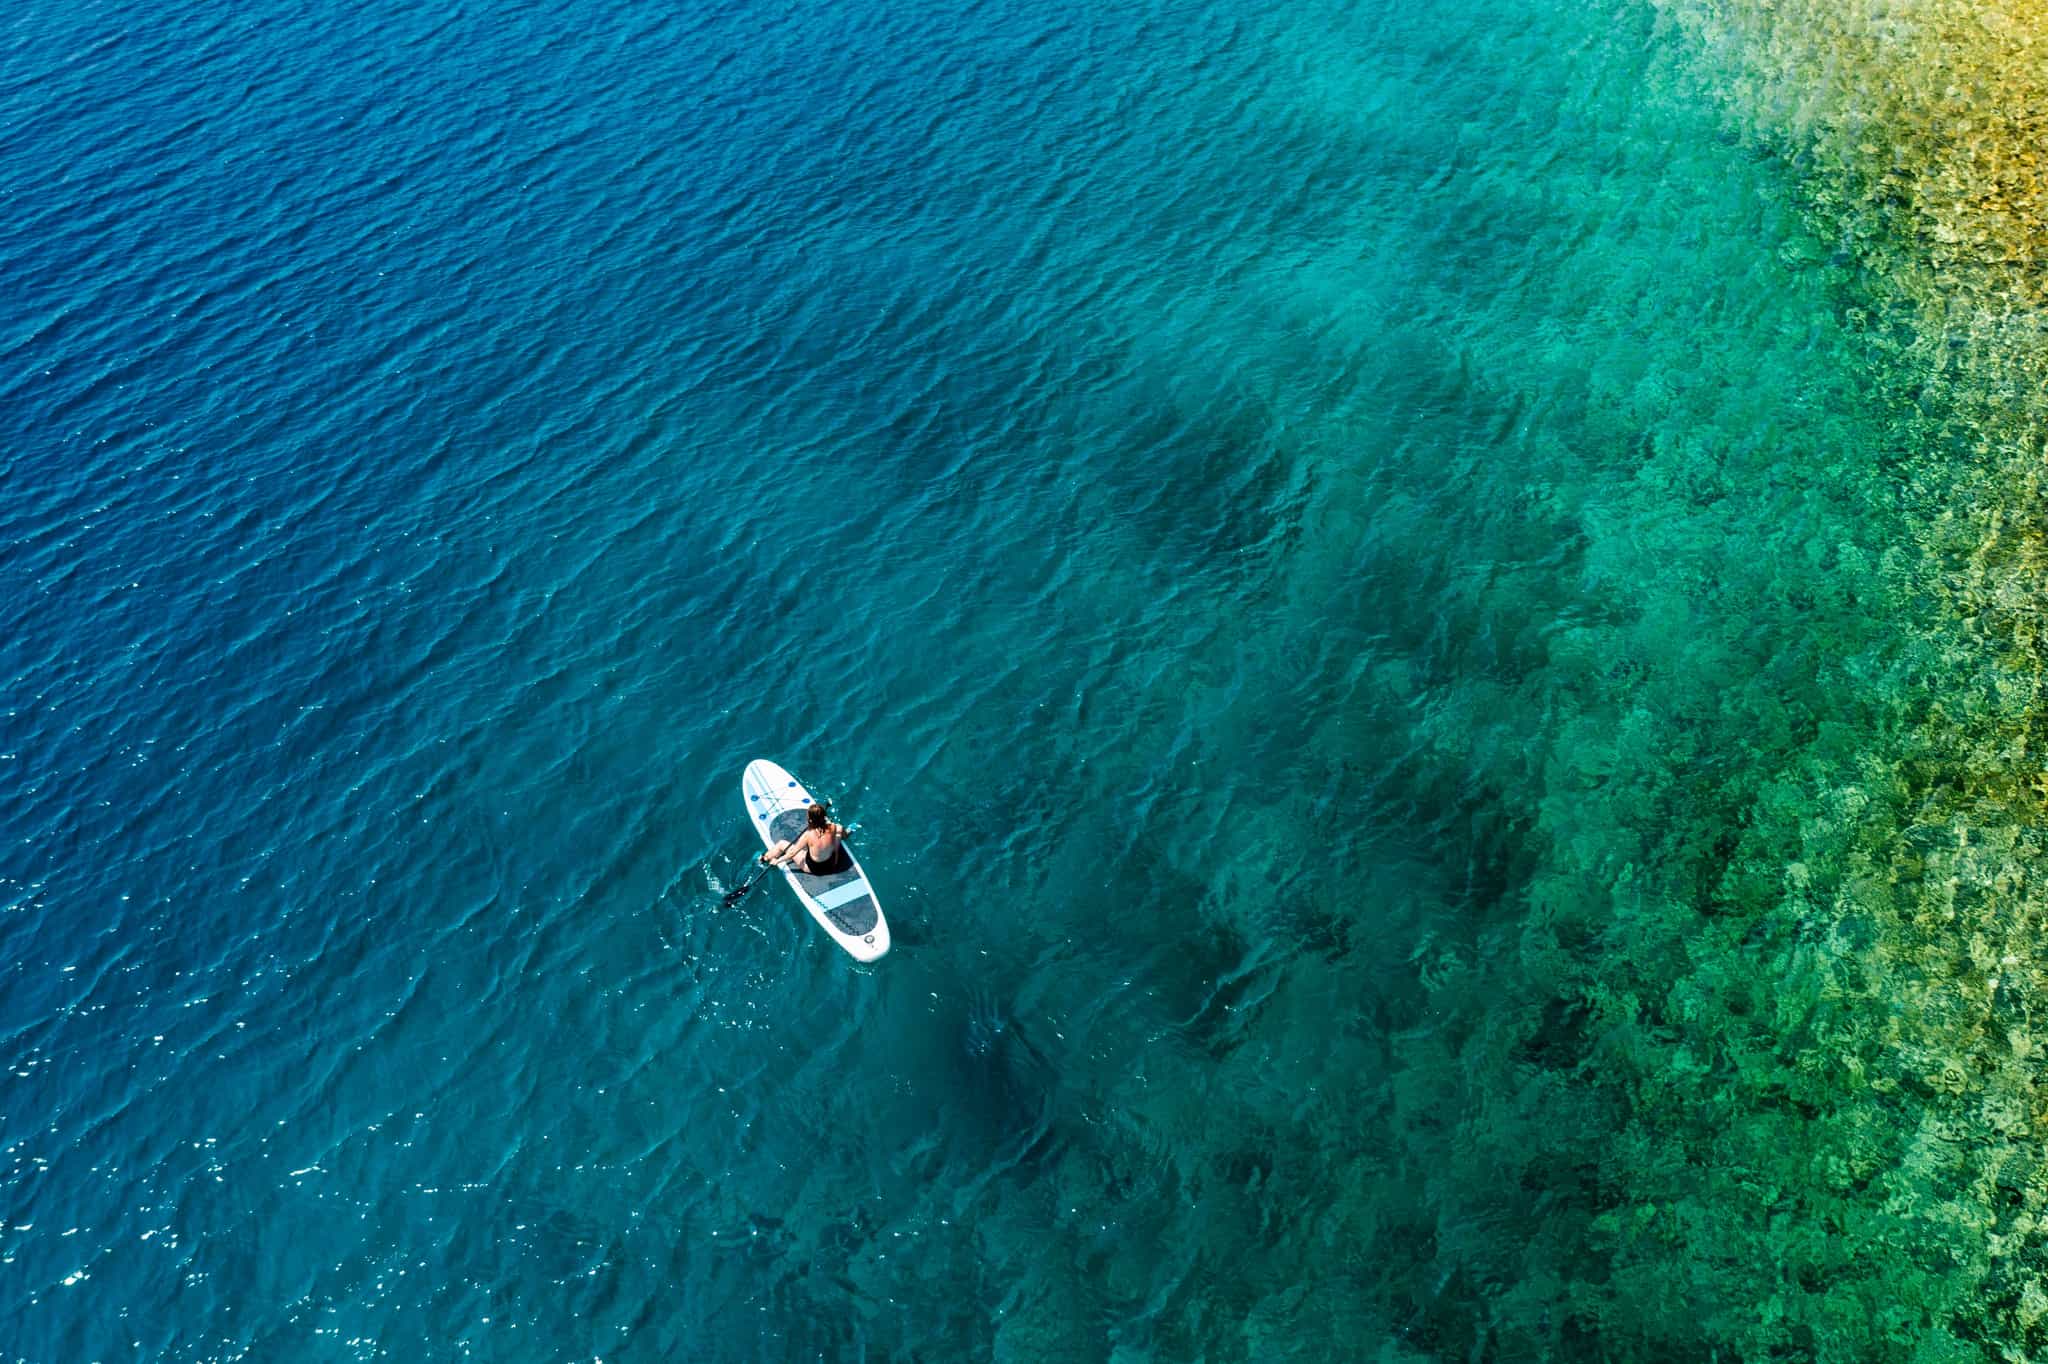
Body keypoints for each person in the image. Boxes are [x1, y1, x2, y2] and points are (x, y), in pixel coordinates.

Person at [764, 803, 849, 875]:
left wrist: (777, 861)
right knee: (839, 829)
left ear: (811, 820)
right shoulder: (834, 826)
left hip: (814, 869)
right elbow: (834, 828)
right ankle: (848, 832)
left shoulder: (808, 835)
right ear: (824, 817)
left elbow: (792, 853)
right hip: (832, 864)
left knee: (782, 844)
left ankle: (764, 859)